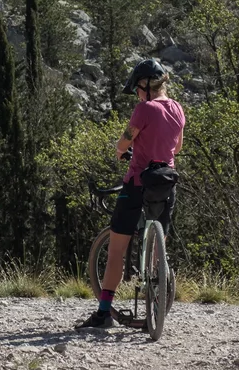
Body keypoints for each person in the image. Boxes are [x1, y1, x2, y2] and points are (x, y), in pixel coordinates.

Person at [77, 58, 185, 329]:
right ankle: (156, 307)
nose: (136, 93)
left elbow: (125, 141)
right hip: (167, 184)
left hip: (137, 183)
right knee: (159, 248)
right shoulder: (177, 109)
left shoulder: (144, 109)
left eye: (137, 88)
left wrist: (121, 150)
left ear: (146, 85)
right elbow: (177, 148)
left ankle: (103, 312)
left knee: (116, 249)